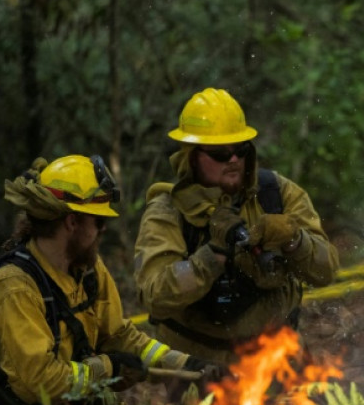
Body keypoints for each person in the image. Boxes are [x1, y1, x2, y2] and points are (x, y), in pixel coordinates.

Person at [0, 154, 218, 405]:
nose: (103, 230)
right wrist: (108, 368)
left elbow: (119, 336)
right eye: (98, 221)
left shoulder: (87, 270)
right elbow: (40, 382)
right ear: (72, 222)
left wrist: (188, 365)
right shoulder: (14, 288)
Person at [134, 87, 339, 364]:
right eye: (220, 153)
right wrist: (211, 256)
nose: (232, 160)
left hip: (275, 361)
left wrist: (294, 240)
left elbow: (326, 270)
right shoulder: (167, 212)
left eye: (240, 150)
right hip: (200, 372)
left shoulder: (276, 194)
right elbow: (154, 295)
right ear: (192, 156)